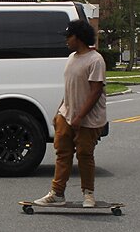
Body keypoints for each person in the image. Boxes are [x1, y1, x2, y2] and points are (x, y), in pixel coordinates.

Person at [34, 19, 107, 208]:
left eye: (69, 36)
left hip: (88, 119)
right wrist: (60, 111)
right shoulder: (72, 58)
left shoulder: (95, 60)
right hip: (66, 115)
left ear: (79, 38)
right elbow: (69, 89)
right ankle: (57, 193)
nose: (66, 40)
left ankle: (88, 194)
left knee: (84, 154)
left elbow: (96, 91)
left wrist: (80, 116)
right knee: (62, 154)